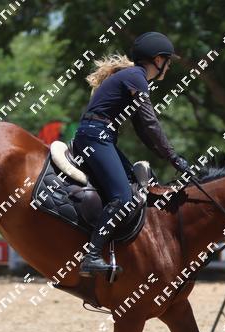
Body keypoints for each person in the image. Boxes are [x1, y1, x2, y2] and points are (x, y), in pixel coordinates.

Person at [73, 32, 190, 277]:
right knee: (123, 199)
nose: (168, 67)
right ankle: (91, 256)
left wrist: (169, 157)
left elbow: (143, 129)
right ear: (158, 60)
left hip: (99, 136)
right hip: (96, 137)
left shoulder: (133, 77)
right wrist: (173, 157)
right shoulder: (137, 78)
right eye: (168, 61)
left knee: (138, 187)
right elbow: (150, 123)